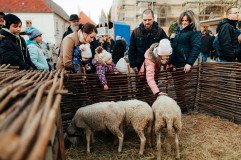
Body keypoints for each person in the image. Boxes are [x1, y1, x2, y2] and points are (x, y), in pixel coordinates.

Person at [169, 10, 201, 110]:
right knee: (177, 86)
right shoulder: (178, 30)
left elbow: (196, 48)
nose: (184, 22)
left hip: (184, 63)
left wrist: (189, 63)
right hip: (175, 63)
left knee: (181, 87)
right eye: (182, 20)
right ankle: (181, 106)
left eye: (186, 20)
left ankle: (184, 108)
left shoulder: (195, 32)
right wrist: (172, 39)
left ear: (191, 20)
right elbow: (174, 46)